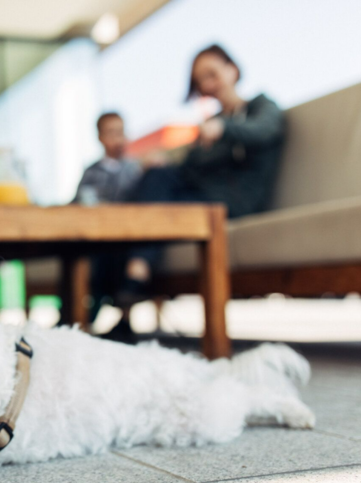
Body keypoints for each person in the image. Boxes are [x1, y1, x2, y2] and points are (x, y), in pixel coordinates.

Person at [120, 44, 286, 333]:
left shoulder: (261, 107)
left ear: (232, 70)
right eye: (200, 82)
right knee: (156, 179)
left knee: (154, 207)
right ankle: (133, 276)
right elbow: (189, 168)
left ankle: (132, 282)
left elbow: (265, 131)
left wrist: (223, 128)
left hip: (235, 203)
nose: (208, 85)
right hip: (202, 197)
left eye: (212, 74)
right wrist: (162, 161)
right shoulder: (211, 123)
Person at [71, 112, 145, 341]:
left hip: (128, 234)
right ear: (100, 138)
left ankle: (121, 321)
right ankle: (81, 317)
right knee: (97, 261)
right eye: (111, 133)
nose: (118, 139)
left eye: (121, 132)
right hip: (98, 236)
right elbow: (77, 202)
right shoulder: (92, 172)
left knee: (122, 256)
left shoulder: (136, 169)